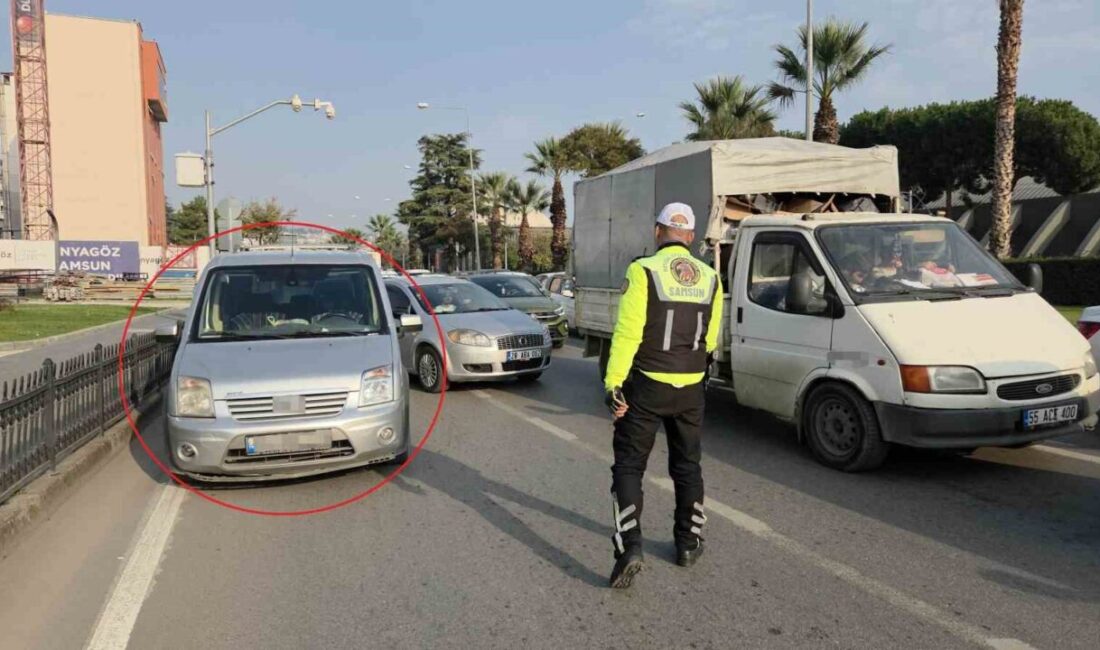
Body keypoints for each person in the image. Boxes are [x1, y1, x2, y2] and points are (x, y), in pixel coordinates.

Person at [603, 202, 723, 589]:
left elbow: (627, 332)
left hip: (648, 384)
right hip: (691, 387)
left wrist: (614, 383)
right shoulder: (711, 278)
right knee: (688, 466)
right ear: (689, 237)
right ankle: (688, 544)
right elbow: (712, 339)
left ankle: (630, 547)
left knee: (629, 466)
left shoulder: (643, 271)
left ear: (658, 232)